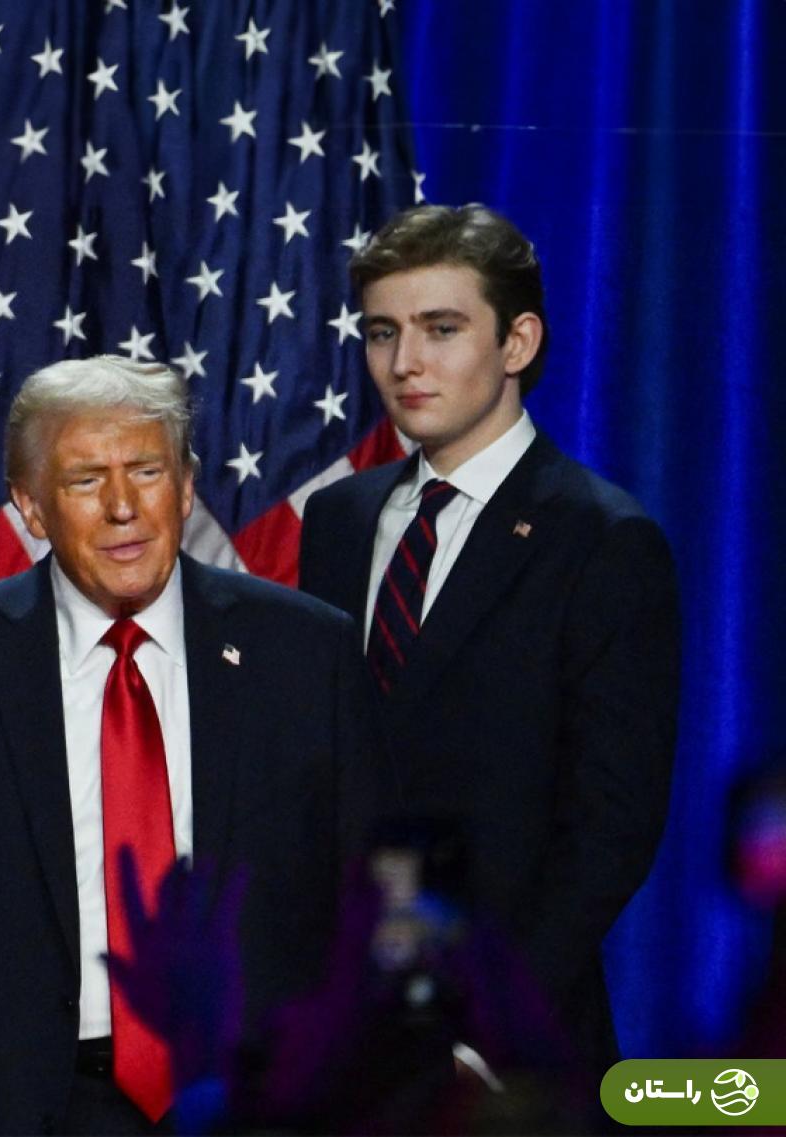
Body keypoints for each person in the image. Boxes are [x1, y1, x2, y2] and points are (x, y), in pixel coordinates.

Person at [0, 355, 384, 1135]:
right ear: (31, 506)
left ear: (185, 486)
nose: (122, 507)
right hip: (17, 1112)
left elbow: (373, 892)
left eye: (146, 471)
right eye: (84, 480)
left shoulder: (305, 651)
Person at [299, 204, 680, 1068]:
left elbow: (611, 827)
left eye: (441, 329)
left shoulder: (602, 539)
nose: (405, 362)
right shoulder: (338, 519)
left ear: (517, 342)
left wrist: (486, 1020)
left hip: (508, 1051)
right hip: (337, 1036)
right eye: (383, 332)